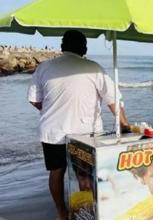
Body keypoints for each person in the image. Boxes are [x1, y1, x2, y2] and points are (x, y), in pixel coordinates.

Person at [27, 30, 130, 220]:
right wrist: (124, 124)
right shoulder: (94, 68)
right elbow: (112, 99)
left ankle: (61, 212)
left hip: (52, 132)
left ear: (62, 46)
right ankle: (86, 213)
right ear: (84, 48)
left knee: (56, 172)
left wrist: (50, 110)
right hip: (86, 135)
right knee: (84, 176)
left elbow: (34, 99)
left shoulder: (44, 67)